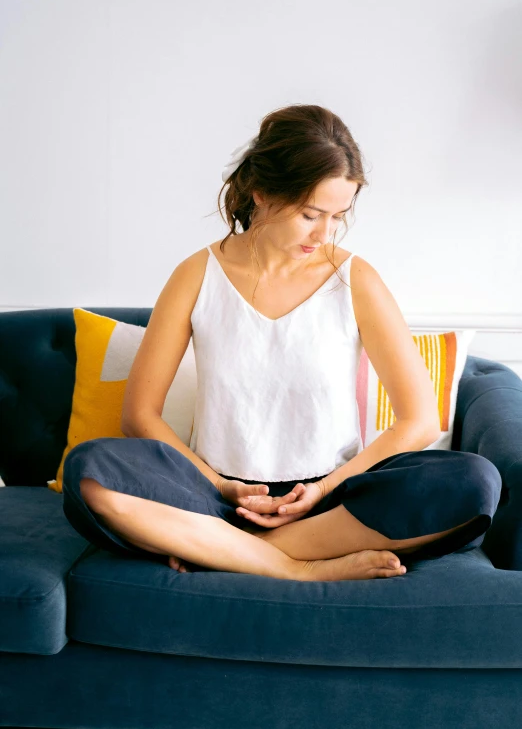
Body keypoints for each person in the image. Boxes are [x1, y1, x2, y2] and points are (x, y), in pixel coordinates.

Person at [62, 103, 502, 582]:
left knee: (474, 482)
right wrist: (223, 487)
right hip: (212, 496)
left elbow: (417, 420)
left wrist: (325, 488)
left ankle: (230, 551)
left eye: (338, 215)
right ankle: (299, 569)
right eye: (311, 213)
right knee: (90, 471)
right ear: (263, 192)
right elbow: (139, 414)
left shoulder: (356, 280)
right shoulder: (196, 275)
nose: (325, 232)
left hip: (330, 502)